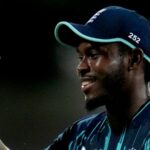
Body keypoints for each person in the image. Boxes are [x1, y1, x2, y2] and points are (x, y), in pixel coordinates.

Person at [45, 5, 150, 150]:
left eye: (93, 55)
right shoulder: (81, 134)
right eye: (80, 57)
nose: (80, 67)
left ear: (133, 59)